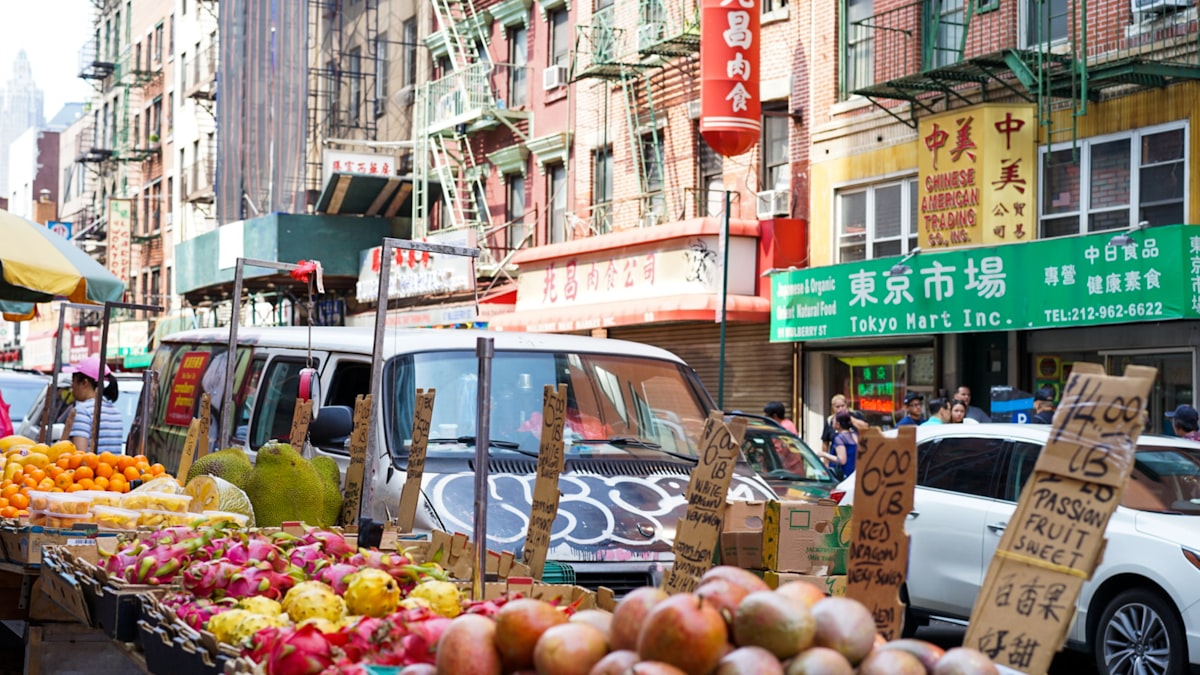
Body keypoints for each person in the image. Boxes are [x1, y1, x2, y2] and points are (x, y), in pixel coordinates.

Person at [67, 355, 125, 454]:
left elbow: (79, 455)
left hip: (90, 469)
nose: (72, 386)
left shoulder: (83, 411)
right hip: (111, 469)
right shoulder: (115, 412)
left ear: (85, 383)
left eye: (73, 381)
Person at [831, 411, 858, 480]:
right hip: (856, 472)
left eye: (833, 420)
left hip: (845, 474)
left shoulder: (839, 438)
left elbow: (842, 460)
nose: (832, 422)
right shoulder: (855, 435)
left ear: (838, 424)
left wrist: (823, 454)